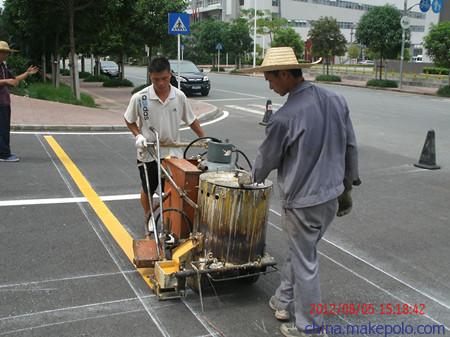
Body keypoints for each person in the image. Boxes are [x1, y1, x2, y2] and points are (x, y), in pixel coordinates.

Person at [245, 47, 360, 337]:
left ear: (284, 74)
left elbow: (265, 160)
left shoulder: (284, 117)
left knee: (306, 261)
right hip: (332, 196)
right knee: (302, 252)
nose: (269, 84)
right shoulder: (336, 99)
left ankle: (310, 326)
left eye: (270, 78)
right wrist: (348, 185)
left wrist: (250, 179)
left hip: (303, 202)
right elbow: (350, 146)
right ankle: (283, 301)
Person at [124, 56, 205, 218]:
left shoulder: (179, 96)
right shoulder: (140, 97)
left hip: (173, 152)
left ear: (170, 75)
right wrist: (138, 135)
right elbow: (129, 119)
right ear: (150, 77)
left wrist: (203, 138)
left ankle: (170, 221)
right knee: (148, 188)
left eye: (165, 78)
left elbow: (191, 119)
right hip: (149, 151)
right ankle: (149, 218)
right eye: (156, 79)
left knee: (173, 188)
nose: (161, 83)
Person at [0, 41, 39, 162]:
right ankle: (4, 154)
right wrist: (6, 82)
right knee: (2, 129)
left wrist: (26, 73)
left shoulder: (3, 66)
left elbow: (14, 80)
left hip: (4, 101)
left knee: (3, 128)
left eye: (7, 53)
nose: (6, 55)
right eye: (4, 53)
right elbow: (9, 81)